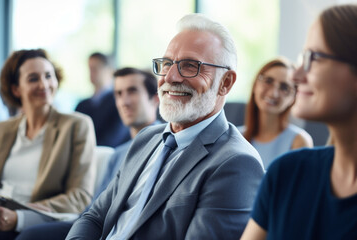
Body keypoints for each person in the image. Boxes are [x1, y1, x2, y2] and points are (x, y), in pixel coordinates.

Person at [67, 13, 264, 240]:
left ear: (225, 82)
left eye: (190, 66)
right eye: (167, 64)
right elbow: (95, 217)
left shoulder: (237, 163)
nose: (169, 77)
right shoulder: (146, 139)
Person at [241, 4, 357, 240]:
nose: (295, 76)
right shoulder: (285, 173)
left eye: (314, 57)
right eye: (303, 57)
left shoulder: (296, 145)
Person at [14, 67, 161, 240]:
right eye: (118, 94)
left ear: (155, 99)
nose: (124, 101)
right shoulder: (118, 154)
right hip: (94, 225)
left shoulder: (165, 146)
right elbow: (97, 206)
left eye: (132, 91)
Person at [0, 49, 96, 239]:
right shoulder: (2, 130)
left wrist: (20, 216)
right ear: (16, 88)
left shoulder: (77, 125)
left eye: (49, 76)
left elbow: (80, 196)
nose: (44, 84)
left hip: (38, 221)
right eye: (33, 78)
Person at [242, 57, 313, 169]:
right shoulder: (233, 136)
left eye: (284, 87)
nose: (273, 94)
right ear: (255, 85)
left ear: (293, 98)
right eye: (268, 81)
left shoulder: (299, 142)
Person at [75, 52, 130, 147]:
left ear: (109, 71)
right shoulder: (82, 105)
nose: (91, 73)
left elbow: (112, 139)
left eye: (95, 68)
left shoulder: (119, 102)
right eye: (90, 68)